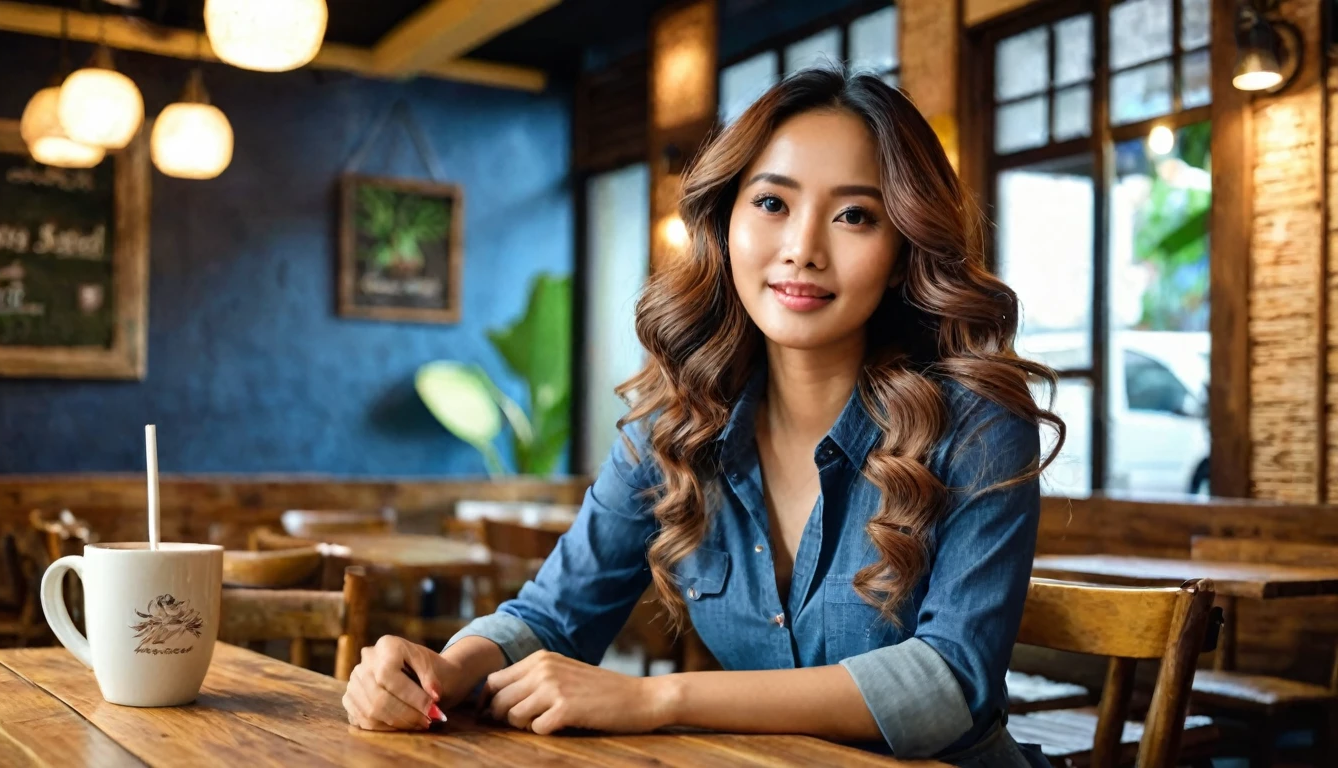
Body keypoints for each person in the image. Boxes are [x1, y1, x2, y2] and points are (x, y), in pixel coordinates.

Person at [342, 68, 1064, 767]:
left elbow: (949, 685)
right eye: (773, 204)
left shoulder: (977, 424)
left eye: (854, 216)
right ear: (725, 222)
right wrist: (437, 672)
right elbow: (552, 618)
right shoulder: (675, 427)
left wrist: (658, 699)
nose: (803, 250)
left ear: (905, 245)